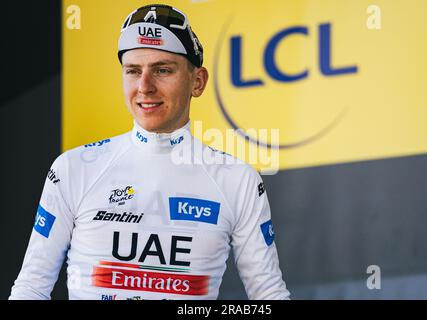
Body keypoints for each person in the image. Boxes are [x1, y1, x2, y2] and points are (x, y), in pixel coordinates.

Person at [10, 4, 290, 300]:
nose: (144, 87)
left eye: (162, 70)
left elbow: (269, 294)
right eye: (133, 71)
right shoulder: (74, 167)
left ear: (198, 81)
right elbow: (31, 287)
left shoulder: (238, 179)